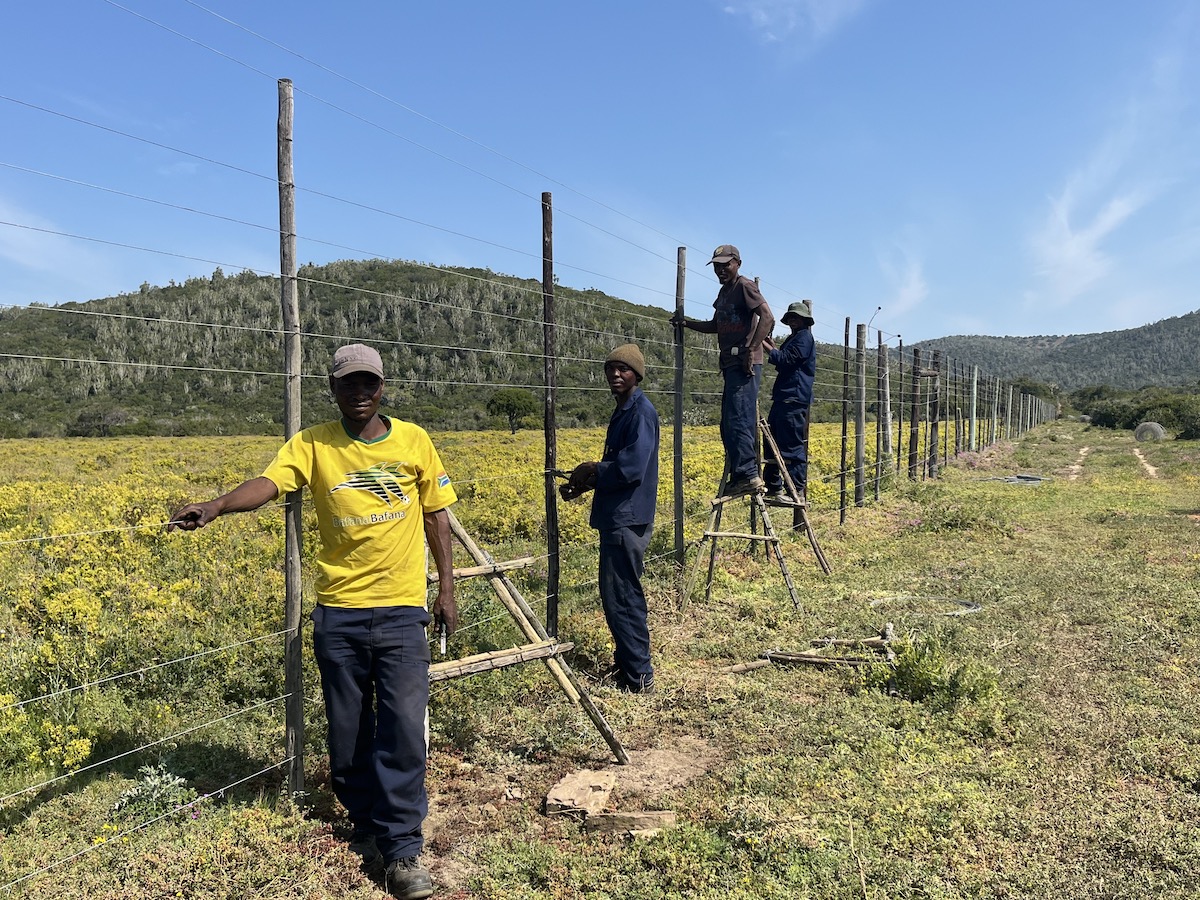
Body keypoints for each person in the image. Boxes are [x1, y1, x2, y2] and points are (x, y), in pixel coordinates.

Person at [167, 343, 456, 900]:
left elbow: (436, 514)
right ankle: (367, 824)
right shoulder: (313, 444)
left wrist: (446, 588)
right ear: (334, 390)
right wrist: (217, 505)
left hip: (400, 610)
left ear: (383, 386)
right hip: (340, 613)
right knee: (347, 737)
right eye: (349, 385)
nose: (360, 393)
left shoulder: (415, 441)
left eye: (368, 383)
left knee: (401, 730)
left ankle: (402, 850)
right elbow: (269, 484)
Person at [563, 344, 660, 694]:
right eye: (611, 369)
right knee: (619, 594)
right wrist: (586, 483)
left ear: (637, 374)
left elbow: (631, 468)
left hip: (626, 520)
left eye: (624, 369)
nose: (616, 375)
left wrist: (592, 469)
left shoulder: (640, 413)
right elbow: (622, 469)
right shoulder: (624, 410)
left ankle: (638, 676)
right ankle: (629, 665)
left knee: (623, 596)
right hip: (620, 515)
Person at [672, 244, 775, 495]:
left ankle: (749, 475)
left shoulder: (745, 286)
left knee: (739, 417)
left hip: (744, 362)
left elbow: (768, 318)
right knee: (728, 421)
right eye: (717, 266)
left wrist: (751, 349)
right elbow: (716, 325)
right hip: (729, 363)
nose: (721, 270)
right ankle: (739, 473)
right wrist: (686, 324)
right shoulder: (724, 293)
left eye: (725, 264)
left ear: (737, 263)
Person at [763, 300, 816, 502]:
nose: (793, 320)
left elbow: (785, 360)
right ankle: (774, 487)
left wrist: (768, 348)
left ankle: (796, 491)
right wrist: (774, 349)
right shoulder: (794, 338)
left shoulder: (804, 338)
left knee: (791, 446)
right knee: (772, 442)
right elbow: (784, 359)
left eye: (797, 317)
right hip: (784, 397)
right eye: (791, 317)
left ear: (804, 320)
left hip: (793, 398)